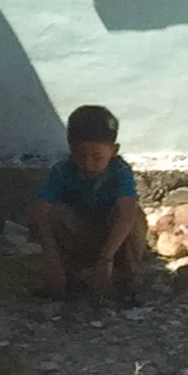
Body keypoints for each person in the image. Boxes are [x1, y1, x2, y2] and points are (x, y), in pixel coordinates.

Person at [32, 104, 147, 300]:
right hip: (81, 237)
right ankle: (72, 274)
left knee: (134, 216)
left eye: (97, 157)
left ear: (114, 151)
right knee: (55, 213)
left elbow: (127, 212)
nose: (87, 164)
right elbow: (40, 211)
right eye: (80, 156)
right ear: (70, 148)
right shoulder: (62, 171)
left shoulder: (120, 172)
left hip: (112, 242)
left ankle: (129, 280)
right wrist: (51, 258)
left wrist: (106, 258)